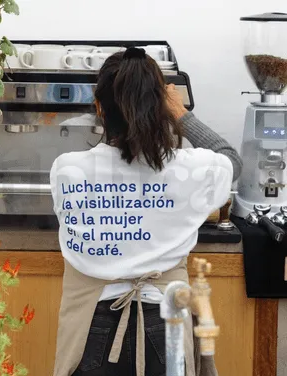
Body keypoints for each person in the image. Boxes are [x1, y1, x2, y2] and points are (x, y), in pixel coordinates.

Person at [50, 47, 242, 376]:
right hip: (166, 321)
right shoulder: (186, 169)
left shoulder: (68, 170)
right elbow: (231, 161)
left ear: (99, 107)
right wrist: (181, 114)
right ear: (160, 108)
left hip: (90, 326)